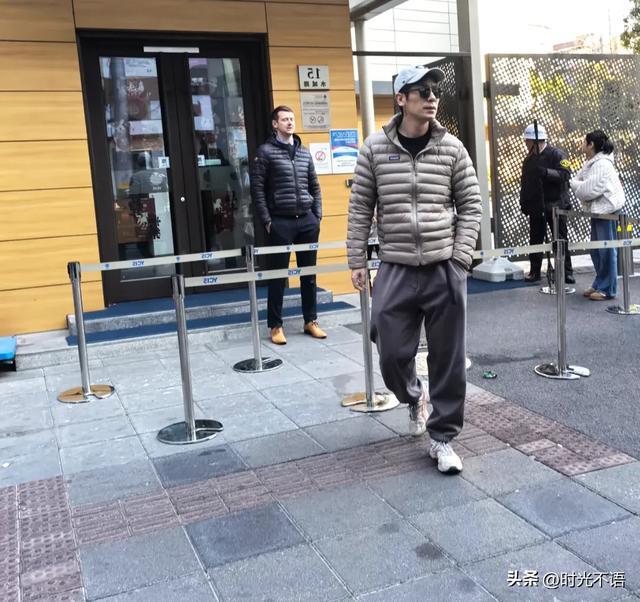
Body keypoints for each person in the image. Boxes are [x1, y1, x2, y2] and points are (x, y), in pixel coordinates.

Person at [347, 65, 482, 474]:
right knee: (389, 350)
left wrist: (460, 259)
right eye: (421, 91)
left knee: (449, 358)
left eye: (434, 90)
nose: (431, 97)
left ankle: (442, 439)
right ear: (401, 99)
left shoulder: (452, 148)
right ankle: (413, 396)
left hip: (444, 267)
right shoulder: (374, 149)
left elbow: (471, 205)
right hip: (396, 266)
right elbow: (360, 207)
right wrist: (357, 259)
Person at [250, 105, 326, 345]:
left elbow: (314, 185)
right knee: (278, 276)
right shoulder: (265, 152)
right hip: (280, 222)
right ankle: (275, 326)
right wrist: (267, 221)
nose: (290, 122)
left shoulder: (303, 152)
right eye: (284, 119)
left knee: (309, 274)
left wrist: (317, 216)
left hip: (307, 221)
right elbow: (257, 190)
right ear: (275, 124)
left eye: (292, 119)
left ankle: (310, 321)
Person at [570, 130, 625, 300]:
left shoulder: (602, 164)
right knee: (597, 250)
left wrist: (575, 184)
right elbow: (579, 183)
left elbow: (587, 191)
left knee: (606, 250)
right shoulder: (591, 163)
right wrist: (577, 184)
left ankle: (607, 289)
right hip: (598, 210)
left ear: (591, 144)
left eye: (583, 141)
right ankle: (600, 283)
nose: (581, 144)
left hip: (607, 210)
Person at [519, 124, 575, 284]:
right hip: (537, 206)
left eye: (527, 141)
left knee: (560, 239)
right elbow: (526, 183)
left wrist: (546, 173)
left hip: (557, 206)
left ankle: (566, 272)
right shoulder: (529, 160)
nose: (526, 144)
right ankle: (535, 271)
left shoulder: (557, 154)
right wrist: (524, 202)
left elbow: (565, 174)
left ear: (535, 141)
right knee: (535, 239)